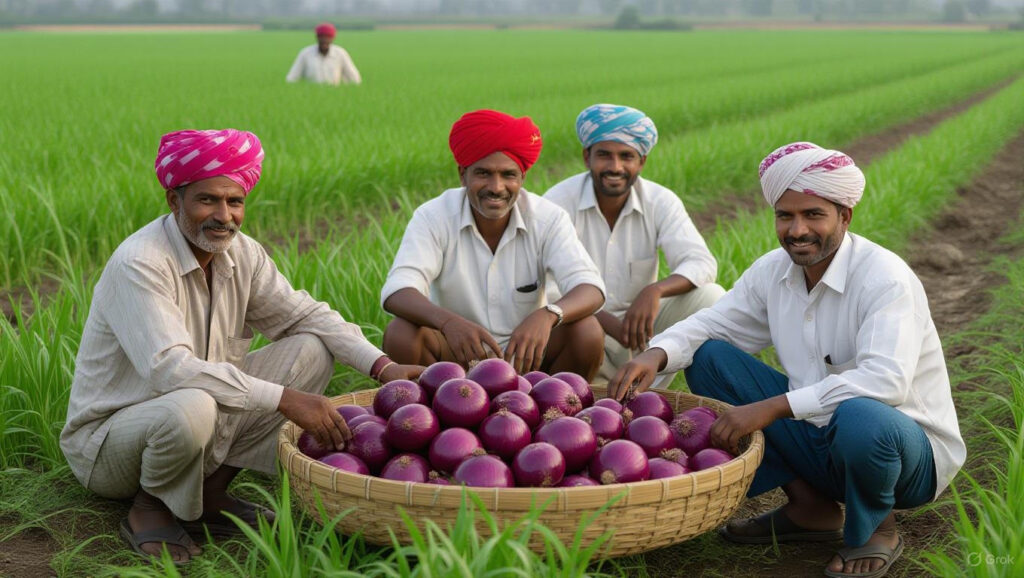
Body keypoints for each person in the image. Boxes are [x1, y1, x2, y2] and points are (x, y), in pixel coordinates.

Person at [61, 129, 422, 565]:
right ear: (174, 201)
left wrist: (384, 367)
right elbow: (169, 370)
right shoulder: (141, 263)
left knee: (310, 348)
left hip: (197, 416)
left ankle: (210, 495)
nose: (224, 215)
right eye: (207, 200)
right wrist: (285, 399)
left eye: (235, 201)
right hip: (111, 443)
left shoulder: (241, 254)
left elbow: (304, 314)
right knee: (190, 403)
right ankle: (151, 506)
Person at [608, 142, 965, 578]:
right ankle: (811, 508)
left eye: (813, 215)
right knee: (710, 358)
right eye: (785, 216)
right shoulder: (772, 272)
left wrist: (772, 407)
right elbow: (713, 324)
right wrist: (655, 353)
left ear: (844, 216)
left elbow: (886, 382)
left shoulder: (884, 278)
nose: (797, 230)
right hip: (820, 442)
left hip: (903, 456)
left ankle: (877, 529)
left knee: (860, 416)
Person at [381, 109, 607, 380]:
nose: (497, 187)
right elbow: (398, 289)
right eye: (484, 173)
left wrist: (548, 315)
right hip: (458, 354)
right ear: (462, 175)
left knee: (587, 332)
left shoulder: (548, 218)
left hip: (527, 354)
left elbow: (590, 287)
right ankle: (429, 416)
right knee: (401, 333)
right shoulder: (434, 216)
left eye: (508, 175)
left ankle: (557, 413)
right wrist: (448, 322)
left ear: (521, 178)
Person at [544, 104, 724, 388]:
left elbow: (700, 262)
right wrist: (601, 318)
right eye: (604, 155)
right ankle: (580, 389)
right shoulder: (557, 202)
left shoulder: (659, 200)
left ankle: (649, 389)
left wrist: (655, 290)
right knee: (576, 325)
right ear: (586, 157)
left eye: (626, 156)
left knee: (711, 298)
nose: (615, 167)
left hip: (640, 331)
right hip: (583, 328)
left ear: (641, 162)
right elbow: (547, 286)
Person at [285, 22, 361, 86]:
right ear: (317, 37)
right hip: (311, 94)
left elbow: (354, 78)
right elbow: (291, 78)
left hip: (334, 94)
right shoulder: (305, 54)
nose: (324, 40)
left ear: (332, 38)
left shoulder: (340, 53)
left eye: (328, 37)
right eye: (321, 37)